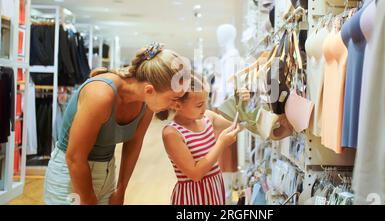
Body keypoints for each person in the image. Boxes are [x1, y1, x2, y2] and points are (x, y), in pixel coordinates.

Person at [44, 43, 188, 205]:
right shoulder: (100, 95)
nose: (176, 105)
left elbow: (134, 143)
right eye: (173, 98)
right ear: (149, 90)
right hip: (70, 175)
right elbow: (75, 157)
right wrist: (87, 198)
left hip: (106, 171)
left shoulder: (146, 102)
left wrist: (121, 189)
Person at [161, 75, 245, 205]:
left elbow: (236, 124)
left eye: (206, 101)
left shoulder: (207, 117)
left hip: (214, 189)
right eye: (199, 105)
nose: (205, 108)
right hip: (193, 197)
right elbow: (195, 173)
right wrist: (221, 143)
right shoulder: (172, 133)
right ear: (178, 105)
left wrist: (241, 102)